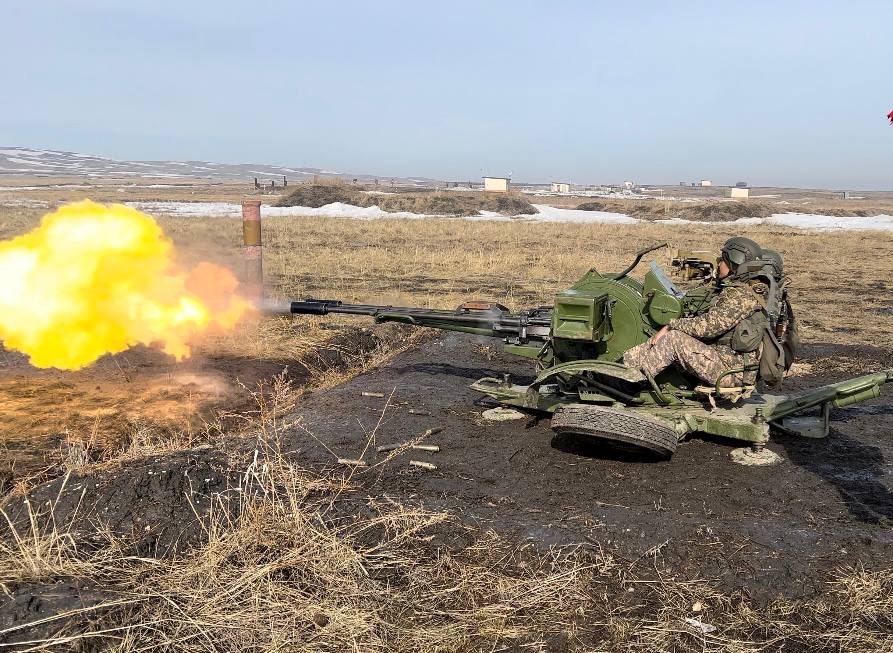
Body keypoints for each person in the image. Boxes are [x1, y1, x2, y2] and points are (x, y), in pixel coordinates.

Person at [624, 237, 767, 387]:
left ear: (735, 264)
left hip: (730, 372)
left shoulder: (740, 297)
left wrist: (671, 325)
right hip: (727, 362)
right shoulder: (749, 290)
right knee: (674, 336)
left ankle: (631, 383)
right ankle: (625, 365)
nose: (718, 263)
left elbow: (705, 328)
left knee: (674, 339)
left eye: (723, 260)